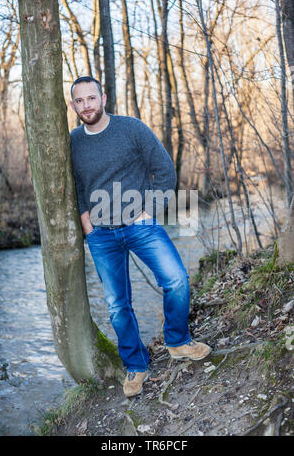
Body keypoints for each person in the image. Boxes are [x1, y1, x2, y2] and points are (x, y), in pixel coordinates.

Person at [69, 76, 211, 398]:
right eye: (80, 101)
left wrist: (151, 208)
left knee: (176, 279)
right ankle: (136, 365)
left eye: (91, 98)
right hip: (101, 235)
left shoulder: (131, 128)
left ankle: (177, 341)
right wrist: (86, 224)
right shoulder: (74, 141)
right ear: (74, 105)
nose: (86, 106)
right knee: (118, 305)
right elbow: (77, 187)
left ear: (103, 98)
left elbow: (165, 171)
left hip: (140, 224)